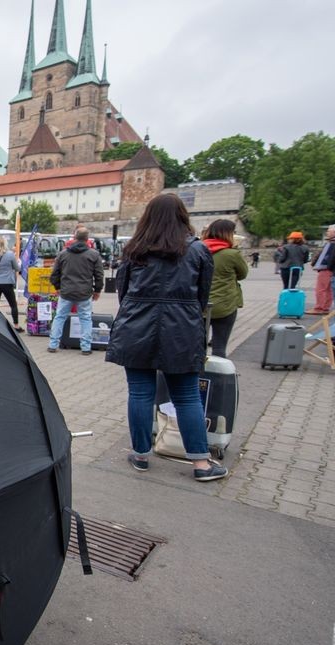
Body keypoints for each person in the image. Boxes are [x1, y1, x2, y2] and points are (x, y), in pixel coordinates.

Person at [105, 193, 226, 482]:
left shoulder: (135, 250)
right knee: (186, 396)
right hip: (181, 329)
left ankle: (141, 454)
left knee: (140, 393)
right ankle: (200, 463)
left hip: (136, 326)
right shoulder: (198, 251)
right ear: (183, 217)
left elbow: (123, 293)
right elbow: (202, 295)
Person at [47, 227, 104, 354]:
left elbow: (54, 274)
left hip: (66, 292)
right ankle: (85, 347)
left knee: (59, 317)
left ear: (74, 237)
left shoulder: (63, 254)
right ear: (87, 239)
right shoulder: (94, 255)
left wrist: (57, 287)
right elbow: (99, 275)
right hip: (84, 293)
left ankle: (53, 345)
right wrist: (97, 290)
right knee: (85, 319)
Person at [203, 219, 248, 358]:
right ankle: (218, 377)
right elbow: (243, 274)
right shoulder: (232, 254)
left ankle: (198, 377)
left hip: (201, 305)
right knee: (219, 347)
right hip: (225, 305)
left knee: (198, 346)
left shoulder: (198, 250)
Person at [0, 235, 22, 331]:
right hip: (7, 283)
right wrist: (19, 262)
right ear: (5, 244)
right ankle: (16, 325)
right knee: (13, 305)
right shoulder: (10, 255)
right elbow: (17, 268)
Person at [310, 225, 335, 314]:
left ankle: (319, 307)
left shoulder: (332, 243)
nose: (327, 233)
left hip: (326, 268)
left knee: (321, 289)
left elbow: (324, 256)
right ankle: (325, 307)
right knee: (329, 290)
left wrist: (315, 263)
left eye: (329, 231)